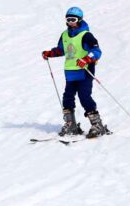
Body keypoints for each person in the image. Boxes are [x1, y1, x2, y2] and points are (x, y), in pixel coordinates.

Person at [42, 7, 108, 138]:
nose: (71, 22)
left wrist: (87, 59)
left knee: (84, 97)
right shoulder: (65, 35)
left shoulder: (86, 35)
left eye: (73, 19)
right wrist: (50, 53)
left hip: (84, 71)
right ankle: (70, 124)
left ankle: (97, 125)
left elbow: (97, 51)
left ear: (80, 19)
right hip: (70, 72)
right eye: (68, 19)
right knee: (67, 97)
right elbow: (62, 50)